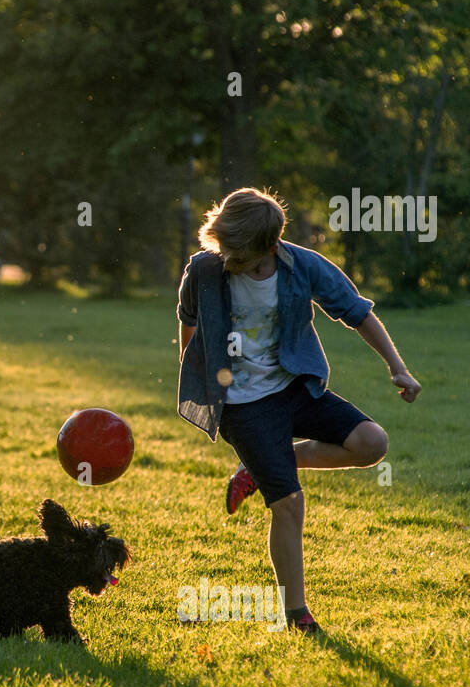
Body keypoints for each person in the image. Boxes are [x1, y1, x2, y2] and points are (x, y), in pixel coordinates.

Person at [176, 187, 421, 633]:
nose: (228, 259)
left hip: (295, 387)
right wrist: (195, 368)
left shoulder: (302, 266)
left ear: (270, 246)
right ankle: (296, 614)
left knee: (372, 443)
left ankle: (262, 468)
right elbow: (188, 315)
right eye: (224, 248)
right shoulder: (205, 269)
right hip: (243, 405)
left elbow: (357, 312)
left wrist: (398, 368)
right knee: (288, 504)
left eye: (239, 253)